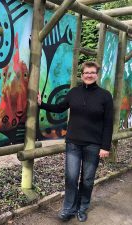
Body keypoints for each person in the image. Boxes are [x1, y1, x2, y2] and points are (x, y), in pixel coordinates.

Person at [37, 61, 113, 222]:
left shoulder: (105, 96)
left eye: (92, 72)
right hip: (73, 143)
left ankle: (82, 208)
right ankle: (69, 208)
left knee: (87, 179)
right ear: (82, 74)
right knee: (71, 177)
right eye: (86, 72)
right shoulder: (73, 93)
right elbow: (60, 107)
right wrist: (41, 104)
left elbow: (108, 122)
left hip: (94, 145)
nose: (89, 75)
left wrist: (105, 146)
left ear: (97, 75)